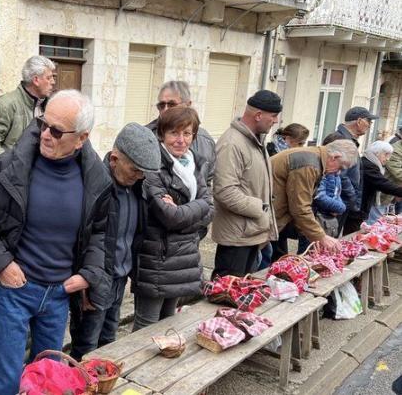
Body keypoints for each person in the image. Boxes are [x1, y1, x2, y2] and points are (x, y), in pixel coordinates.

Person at [0, 90, 112, 395]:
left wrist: (87, 274)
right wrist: (2, 264)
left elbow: (101, 232)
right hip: (16, 290)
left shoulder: (96, 177)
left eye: (57, 131)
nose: (46, 135)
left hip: (59, 295)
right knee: (2, 383)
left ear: (81, 138)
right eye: (43, 124)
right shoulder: (11, 165)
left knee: (49, 381)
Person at [69, 122, 160, 360]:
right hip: (96, 280)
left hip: (119, 278)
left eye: (143, 172)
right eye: (134, 170)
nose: (139, 176)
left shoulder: (138, 187)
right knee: (86, 345)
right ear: (115, 158)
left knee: (109, 341)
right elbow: (81, 242)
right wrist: (86, 284)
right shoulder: (95, 188)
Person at [133, 106, 214, 330]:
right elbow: (170, 217)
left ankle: (161, 366)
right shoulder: (153, 166)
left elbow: (210, 209)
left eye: (186, 133)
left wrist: (185, 210)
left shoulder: (197, 163)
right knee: (146, 326)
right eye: (174, 133)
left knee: (169, 322)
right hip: (157, 259)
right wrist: (198, 207)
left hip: (184, 257)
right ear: (162, 134)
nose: (181, 140)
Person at [212, 90, 281, 277]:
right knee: (226, 295)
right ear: (258, 115)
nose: (276, 121)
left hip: (250, 234)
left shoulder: (255, 141)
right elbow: (224, 191)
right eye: (273, 116)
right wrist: (260, 208)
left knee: (241, 294)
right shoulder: (232, 143)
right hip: (236, 238)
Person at [270, 140, 359, 261]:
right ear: (334, 157)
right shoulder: (309, 164)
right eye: (341, 167)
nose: (339, 172)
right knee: (260, 263)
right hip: (264, 218)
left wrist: (313, 236)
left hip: (270, 217)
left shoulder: (314, 159)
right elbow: (300, 208)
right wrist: (320, 236)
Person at [0, 55, 56, 173]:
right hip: (5, 179)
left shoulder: (50, 107)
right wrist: (13, 165)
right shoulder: (6, 104)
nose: (53, 82)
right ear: (36, 80)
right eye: (49, 78)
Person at [146, 81, 216, 187]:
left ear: (188, 105)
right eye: (161, 105)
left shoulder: (205, 141)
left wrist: (204, 203)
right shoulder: (145, 137)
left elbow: (208, 183)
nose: (165, 110)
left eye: (171, 104)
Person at [326, 106, 377, 235]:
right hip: (337, 200)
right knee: (326, 241)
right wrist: (352, 196)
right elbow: (338, 173)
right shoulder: (341, 139)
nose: (370, 125)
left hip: (342, 200)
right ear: (359, 121)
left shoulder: (348, 139)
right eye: (368, 121)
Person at [362, 141, 402, 224]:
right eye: (386, 155)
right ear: (377, 153)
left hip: (378, 198)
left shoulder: (373, 164)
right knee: (374, 222)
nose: (387, 159)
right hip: (364, 203)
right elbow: (382, 183)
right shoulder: (369, 165)